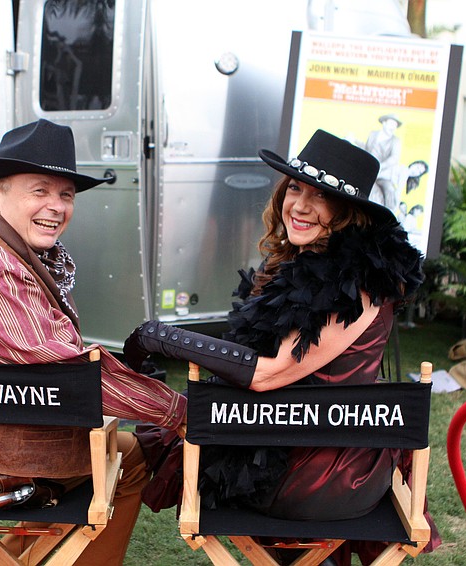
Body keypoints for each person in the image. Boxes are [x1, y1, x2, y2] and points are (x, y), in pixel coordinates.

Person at [124, 129, 436, 564]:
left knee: (187, 446)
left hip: (321, 475)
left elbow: (268, 371)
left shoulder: (359, 281)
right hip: (290, 440)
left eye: (321, 196)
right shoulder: (303, 263)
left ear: (349, 213)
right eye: (295, 188)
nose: (301, 206)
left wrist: (162, 337)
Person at [0, 119, 186, 566]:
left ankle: (9, 559)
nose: (55, 207)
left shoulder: (7, 248)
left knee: (116, 448)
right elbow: (67, 373)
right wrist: (177, 410)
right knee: (131, 458)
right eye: (40, 190)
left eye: (65, 194)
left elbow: (54, 356)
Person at [365, 113, 403, 214]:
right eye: (391, 124)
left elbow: (394, 158)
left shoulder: (396, 141)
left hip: (383, 174)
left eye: (395, 125)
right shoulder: (373, 134)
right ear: (384, 123)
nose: (392, 127)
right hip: (367, 171)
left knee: (389, 190)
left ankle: (390, 217)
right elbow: (366, 149)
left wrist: (380, 166)